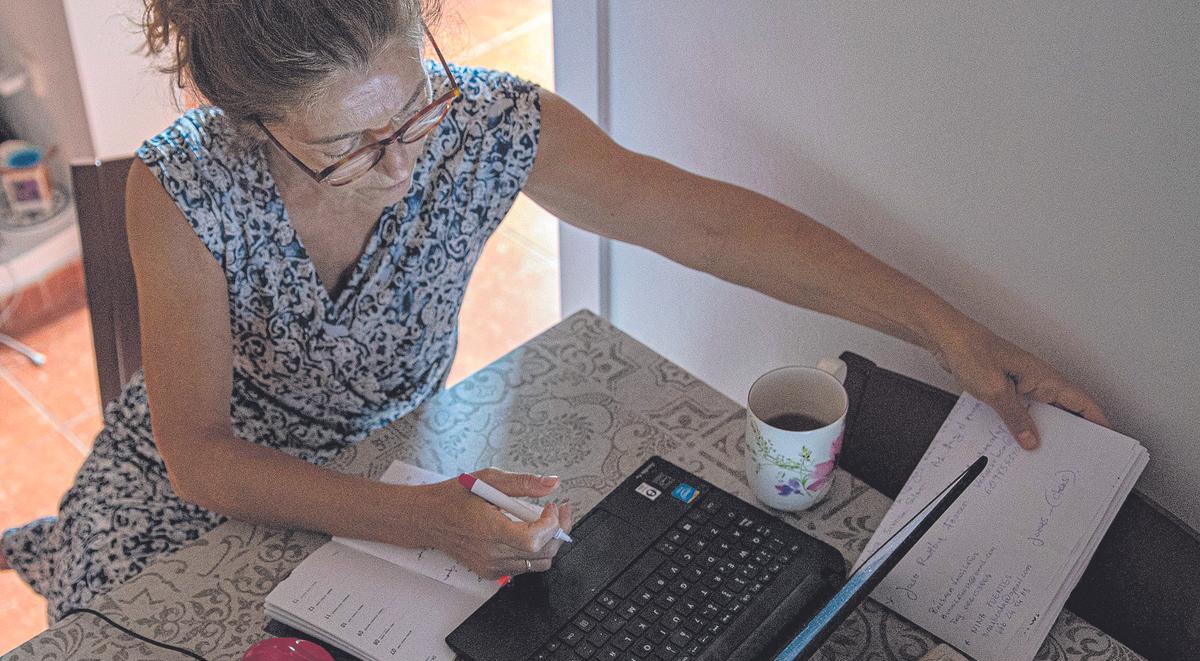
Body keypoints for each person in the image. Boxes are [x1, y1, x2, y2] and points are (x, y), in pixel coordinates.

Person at [0, 0, 1108, 621]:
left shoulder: (485, 125)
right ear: (253, 123)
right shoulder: (184, 185)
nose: (403, 162)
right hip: (201, 501)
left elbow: (710, 227)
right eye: (349, 147)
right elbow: (198, 457)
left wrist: (947, 328)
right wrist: (428, 517)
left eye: (416, 107)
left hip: (392, 473)